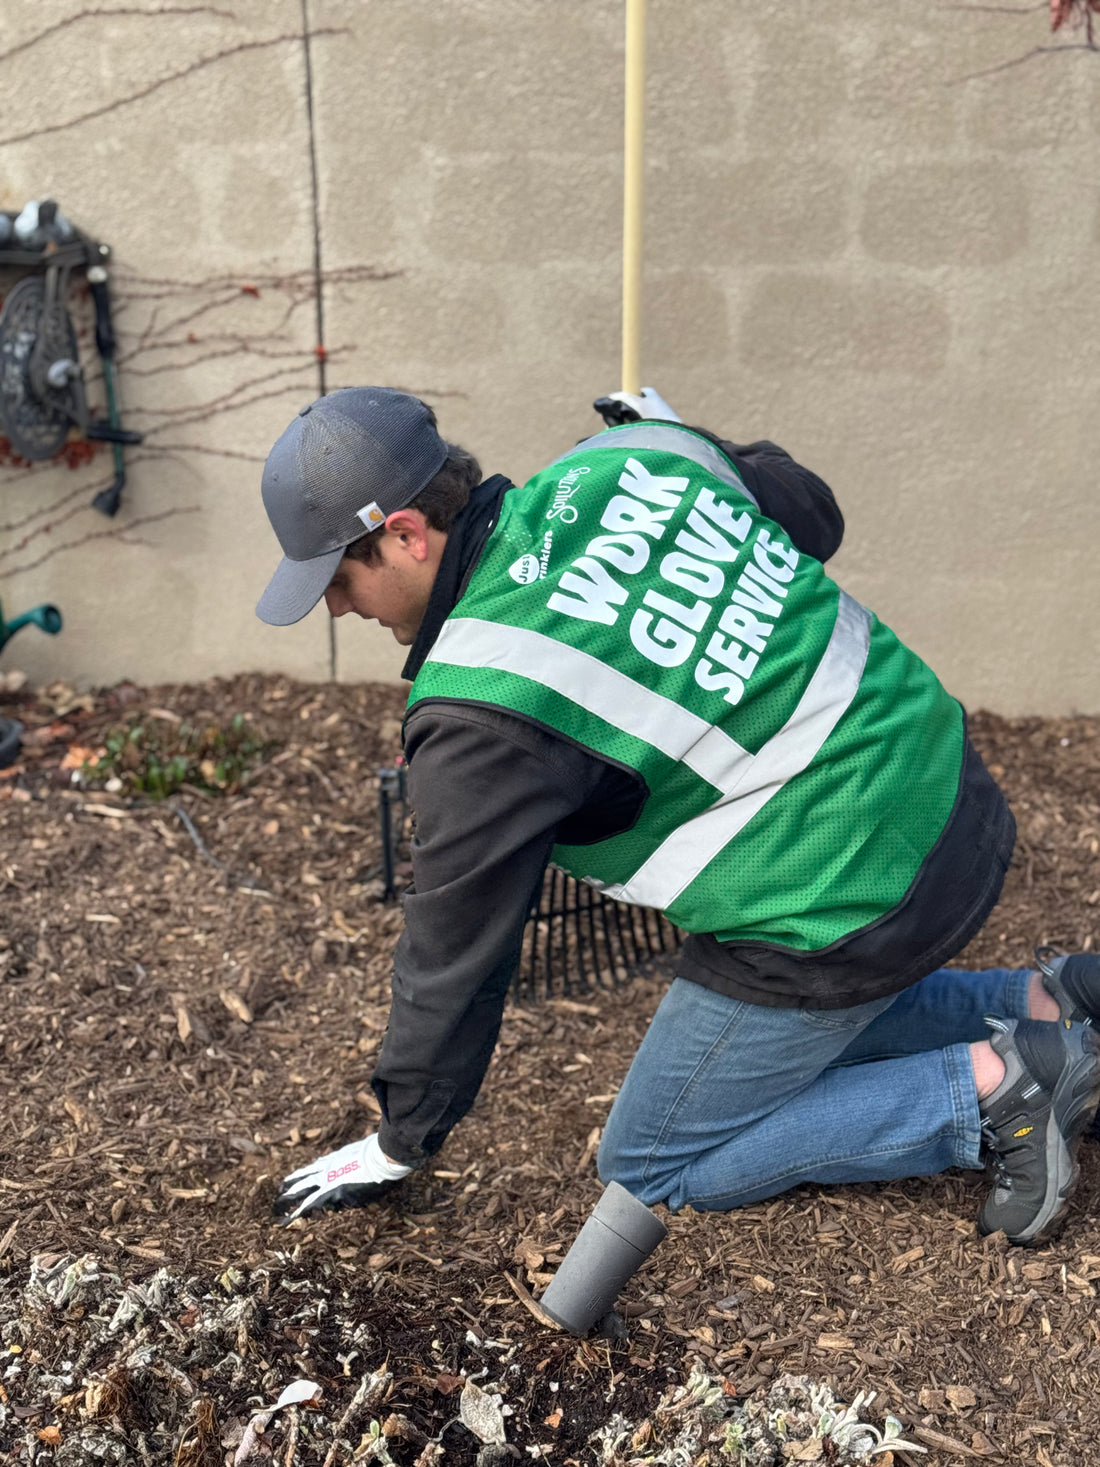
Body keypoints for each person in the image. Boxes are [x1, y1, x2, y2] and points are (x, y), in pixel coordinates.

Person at [255, 385, 1100, 1248]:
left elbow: (454, 949)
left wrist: (404, 1138)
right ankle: (1051, 1001)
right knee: (780, 1043)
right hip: (946, 782)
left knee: (652, 1160)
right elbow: (814, 516)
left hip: (852, 891)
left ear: (405, 533)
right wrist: (694, 440)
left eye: (339, 575)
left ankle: (999, 1087)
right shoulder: (633, 459)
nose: (335, 606)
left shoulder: (485, 704)